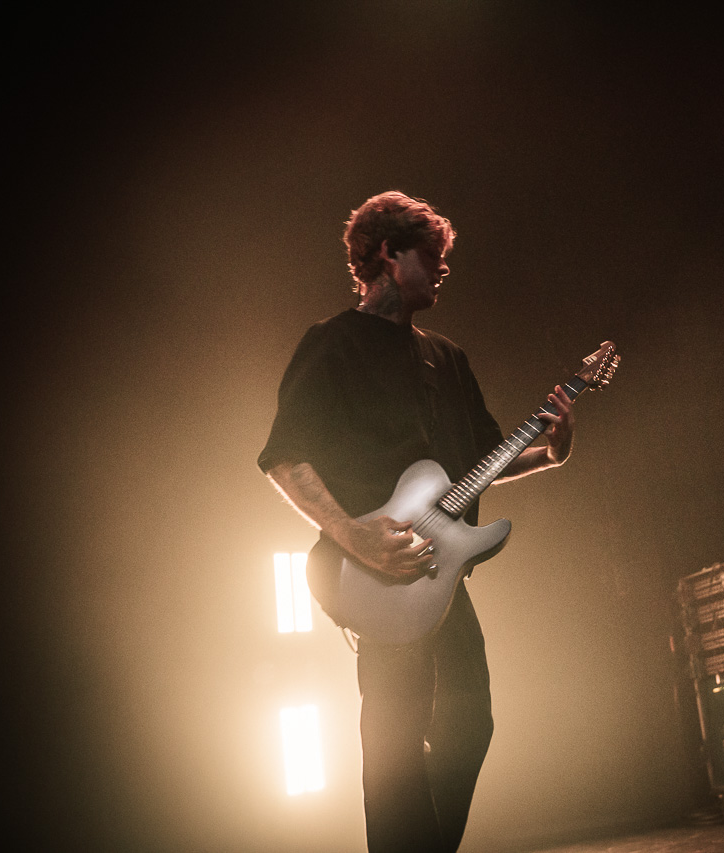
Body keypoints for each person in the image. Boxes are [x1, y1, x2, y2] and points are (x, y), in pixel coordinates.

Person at [258, 191, 575, 852]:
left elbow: (486, 459)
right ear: (386, 253)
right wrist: (354, 536)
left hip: (440, 576)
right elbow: (284, 457)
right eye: (430, 254)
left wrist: (552, 451)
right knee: (395, 741)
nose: (443, 267)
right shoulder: (332, 344)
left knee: (471, 725)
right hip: (374, 570)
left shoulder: (445, 357)